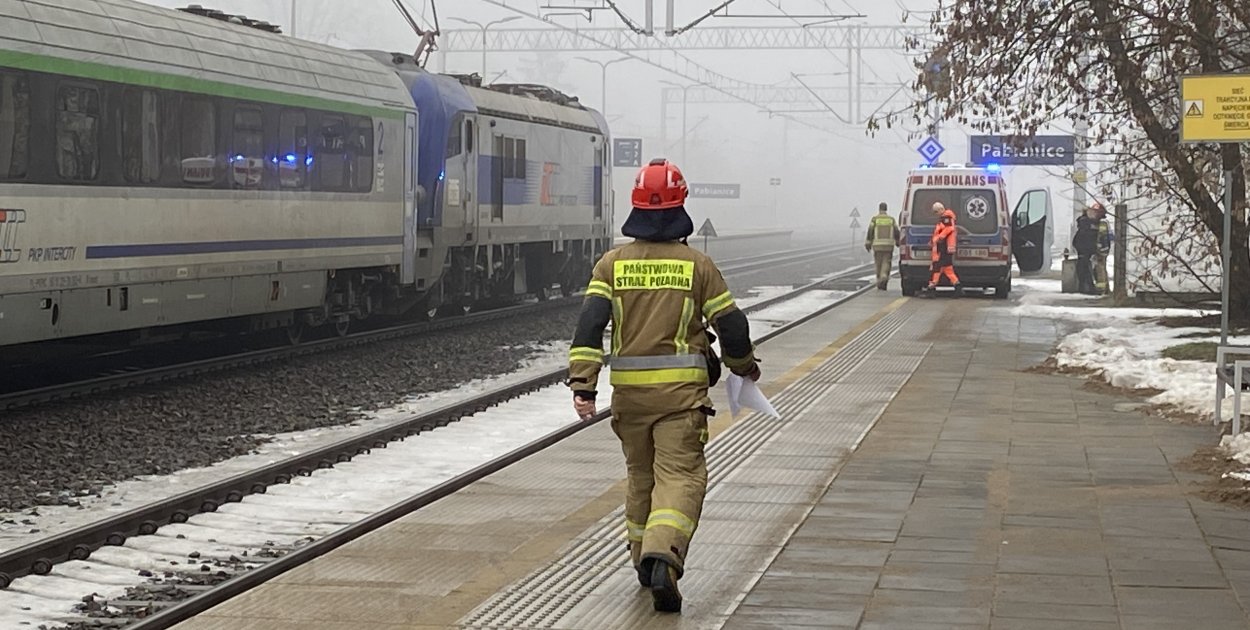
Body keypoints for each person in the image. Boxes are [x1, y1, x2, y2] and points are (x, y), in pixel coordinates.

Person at [567, 158, 760, 614]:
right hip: (680, 401)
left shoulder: (610, 265)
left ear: (635, 206)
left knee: (640, 477)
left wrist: (584, 386)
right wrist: (743, 366)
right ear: (681, 206)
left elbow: (589, 327)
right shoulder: (697, 266)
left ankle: (641, 559)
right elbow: (731, 326)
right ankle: (663, 556)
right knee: (681, 476)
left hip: (629, 401)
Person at [925, 202, 961, 297]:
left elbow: (948, 229)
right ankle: (958, 288)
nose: (936, 214)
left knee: (936, 268)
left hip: (943, 248)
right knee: (948, 269)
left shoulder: (946, 218)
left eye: (936, 211)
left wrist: (938, 238)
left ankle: (931, 289)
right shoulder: (947, 218)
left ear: (941, 209)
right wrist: (933, 241)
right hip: (946, 248)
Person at [865, 202, 901, 291]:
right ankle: (884, 276)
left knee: (878, 263)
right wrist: (897, 241)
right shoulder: (891, 220)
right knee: (886, 262)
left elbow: (870, 231)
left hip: (877, 245)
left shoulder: (875, 219)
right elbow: (896, 231)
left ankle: (879, 280)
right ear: (886, 209)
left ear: (879, 209)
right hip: (888, 245)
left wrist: (868, 243)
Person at [1072, 203, 1101, 295]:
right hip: (1085, 248)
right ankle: (1089, 288)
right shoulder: (1088, 223)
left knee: (1084, 267)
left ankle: (1084, 287)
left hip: (1083, 248)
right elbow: (1087, 238)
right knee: (1085, 268)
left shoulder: (1085, 222)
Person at [1091, 203, 1114, 295]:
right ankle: (1106, 288)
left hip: (1101, 249)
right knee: (1102, 267)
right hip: (1104, 248)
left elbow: (1101, 236)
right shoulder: (1104, 222)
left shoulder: (1102, 223)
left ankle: (1102, 289)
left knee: (1100, 269)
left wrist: (1099, 247)